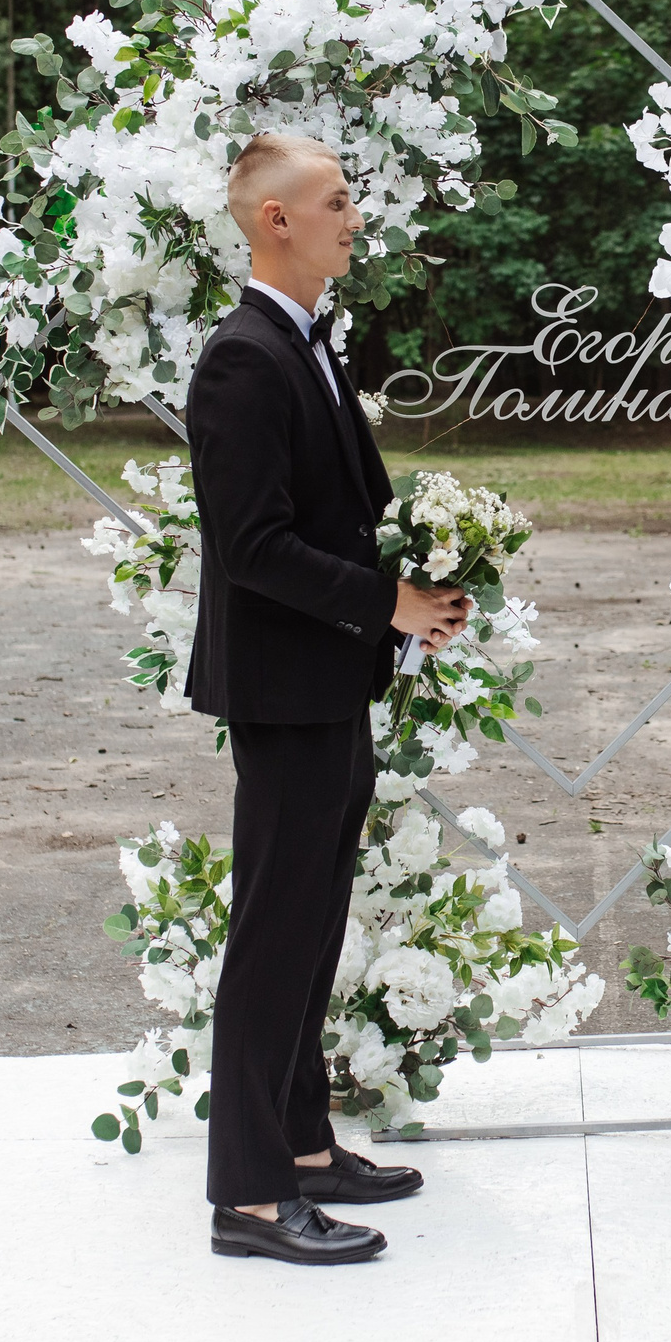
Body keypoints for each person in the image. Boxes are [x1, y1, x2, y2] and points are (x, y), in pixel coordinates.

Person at [184, 133, 471, 1265]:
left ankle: (301, 1142)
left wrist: (421, 575)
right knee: (273, 934)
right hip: (284, 685)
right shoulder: (242, 358)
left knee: (310, 926)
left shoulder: (303, 341)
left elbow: (339, 506)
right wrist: (385, 602)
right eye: (337, 200)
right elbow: (250, 544)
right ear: (275, 221)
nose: (355, 215)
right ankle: (249, 1193)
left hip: (326, 680)